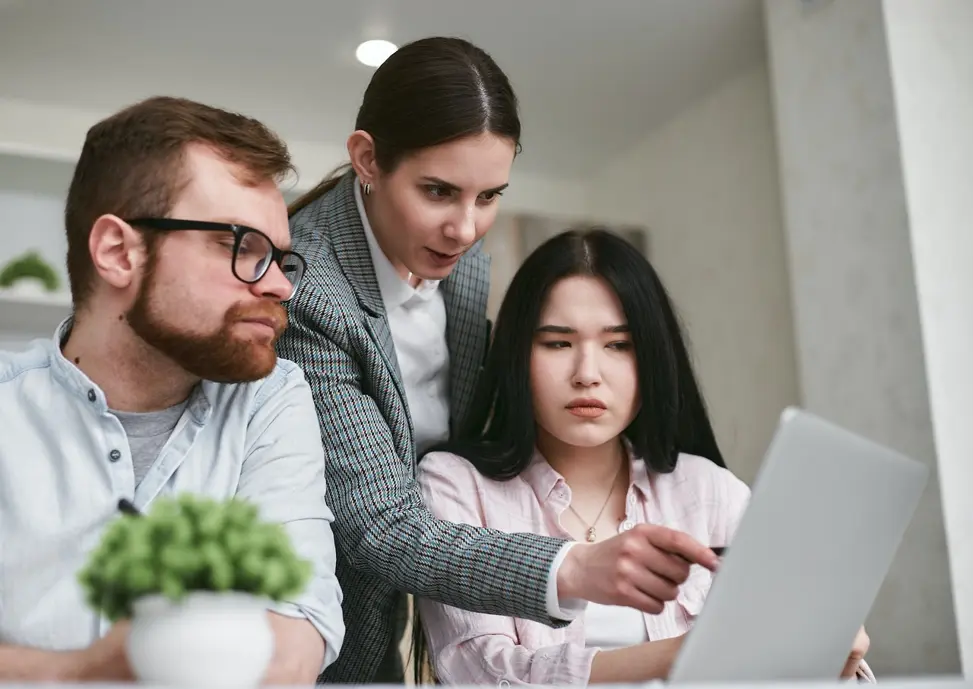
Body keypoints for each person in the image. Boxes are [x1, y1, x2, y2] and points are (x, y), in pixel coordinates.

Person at [277, 36, 721, 684]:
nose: (465, 227)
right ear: (367, 158)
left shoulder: (460, 266)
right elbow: (378, 524)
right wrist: (571, 566)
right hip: (330, 622)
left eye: (489, 196)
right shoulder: (309, 289)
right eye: (438, 191)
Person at [414, 228, 874, 684]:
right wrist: (680, 657)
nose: (587, 374)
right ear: (517, 354)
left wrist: (837, 665)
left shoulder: (709, 491)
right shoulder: (456, 486)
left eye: (619, 345)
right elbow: (477, 672)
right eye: (558, 343)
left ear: (651, 358)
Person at [0, 96, 344, 682]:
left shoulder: (272, 398)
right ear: (118, 252)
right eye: (243, 247)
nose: (283, 287)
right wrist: (87, 671)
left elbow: (297, 629)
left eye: (282, 259)